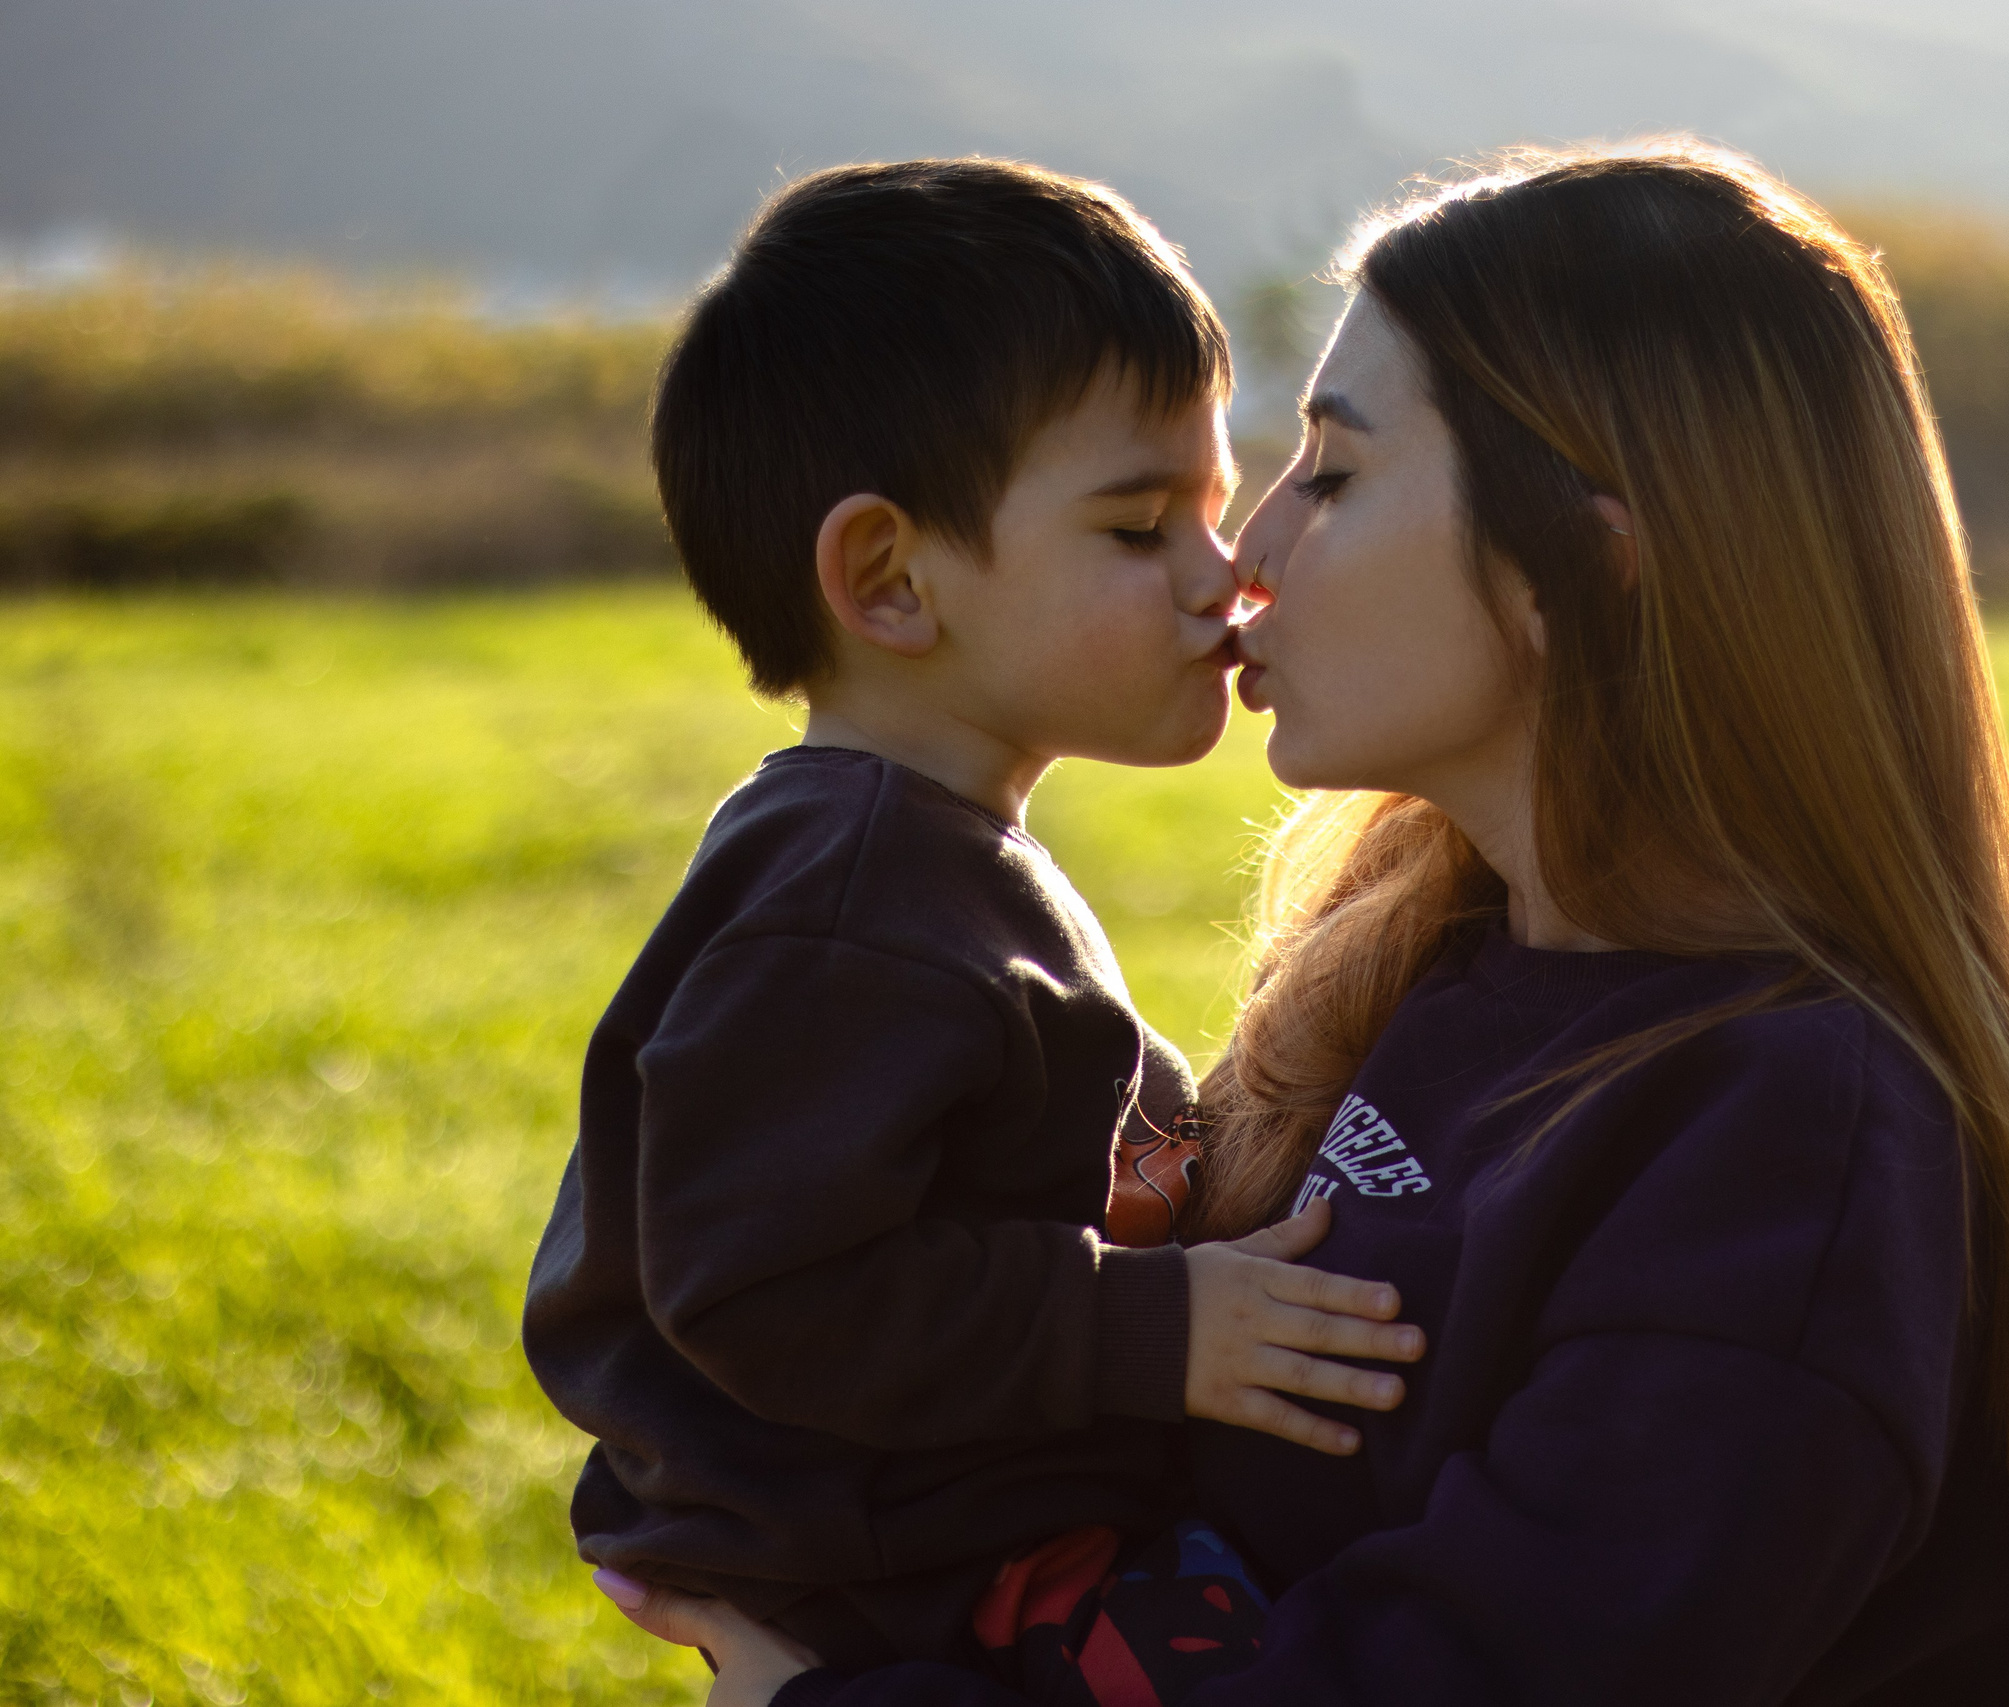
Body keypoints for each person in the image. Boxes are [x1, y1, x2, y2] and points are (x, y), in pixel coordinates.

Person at [601, 140, 2009, 1707]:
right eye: (1175, 515)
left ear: (1590, 561)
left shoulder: (1786, 1146)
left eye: (1331, 476)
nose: (1249, 564)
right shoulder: (1431, 968)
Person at [522, 157, 1425, 1699]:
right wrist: (1155, 1328)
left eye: (1216, 505)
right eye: (1143, 529)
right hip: (897, 1566)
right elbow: (770, 1286)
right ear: (889, 578)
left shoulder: (914, 853)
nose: (1226, 581)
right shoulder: (842, 908)